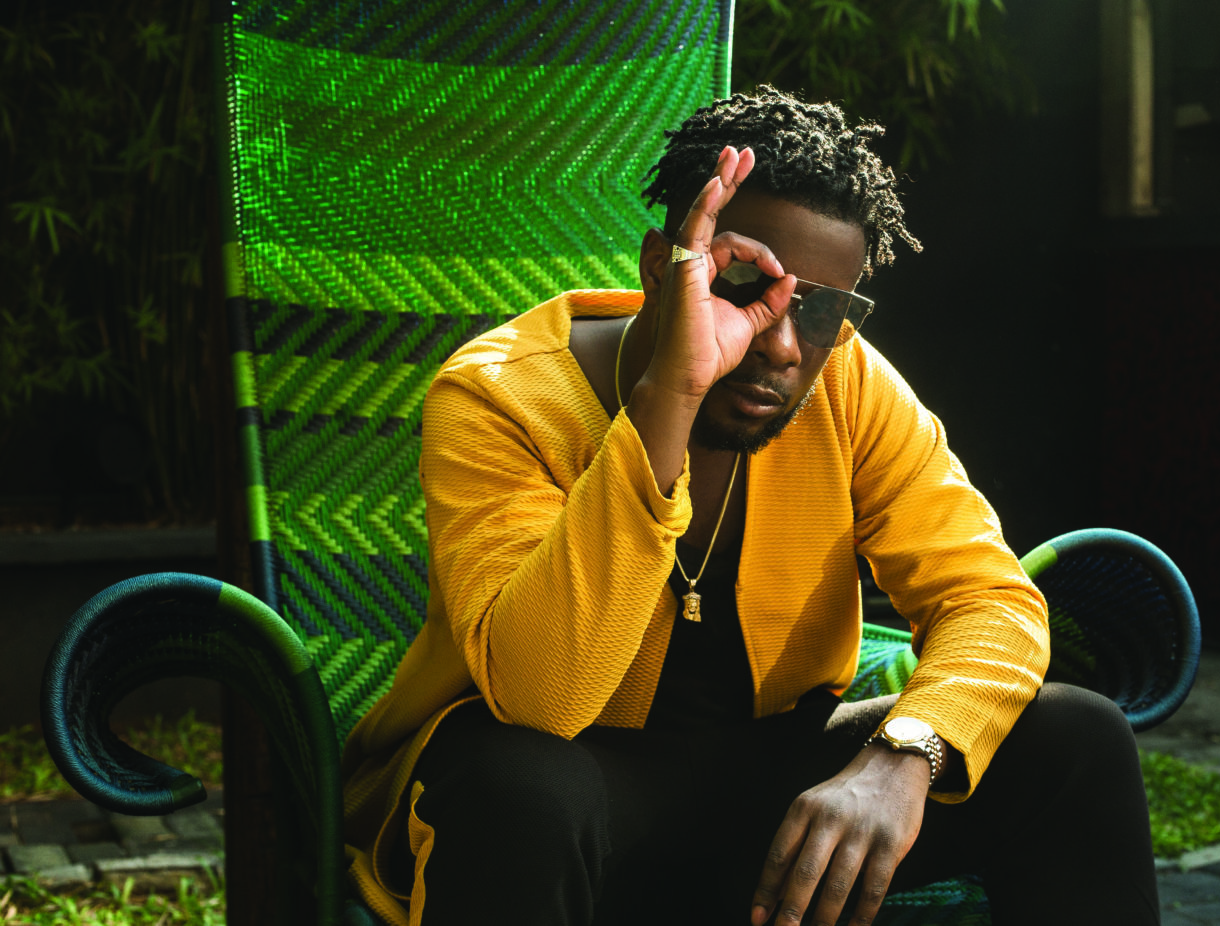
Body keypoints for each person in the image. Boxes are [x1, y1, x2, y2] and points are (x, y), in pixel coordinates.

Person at [341, 86, 1160, 925]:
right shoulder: (502, 396)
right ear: (660, 268)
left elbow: (989, 600)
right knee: (518, 790)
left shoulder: (849, 384)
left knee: (1077, 739)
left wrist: (903, 756)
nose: (782, 344)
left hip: (769, 798)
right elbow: (540, 699)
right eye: (744, 288)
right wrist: (672, 393)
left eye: (825, 310)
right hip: (560, 796)